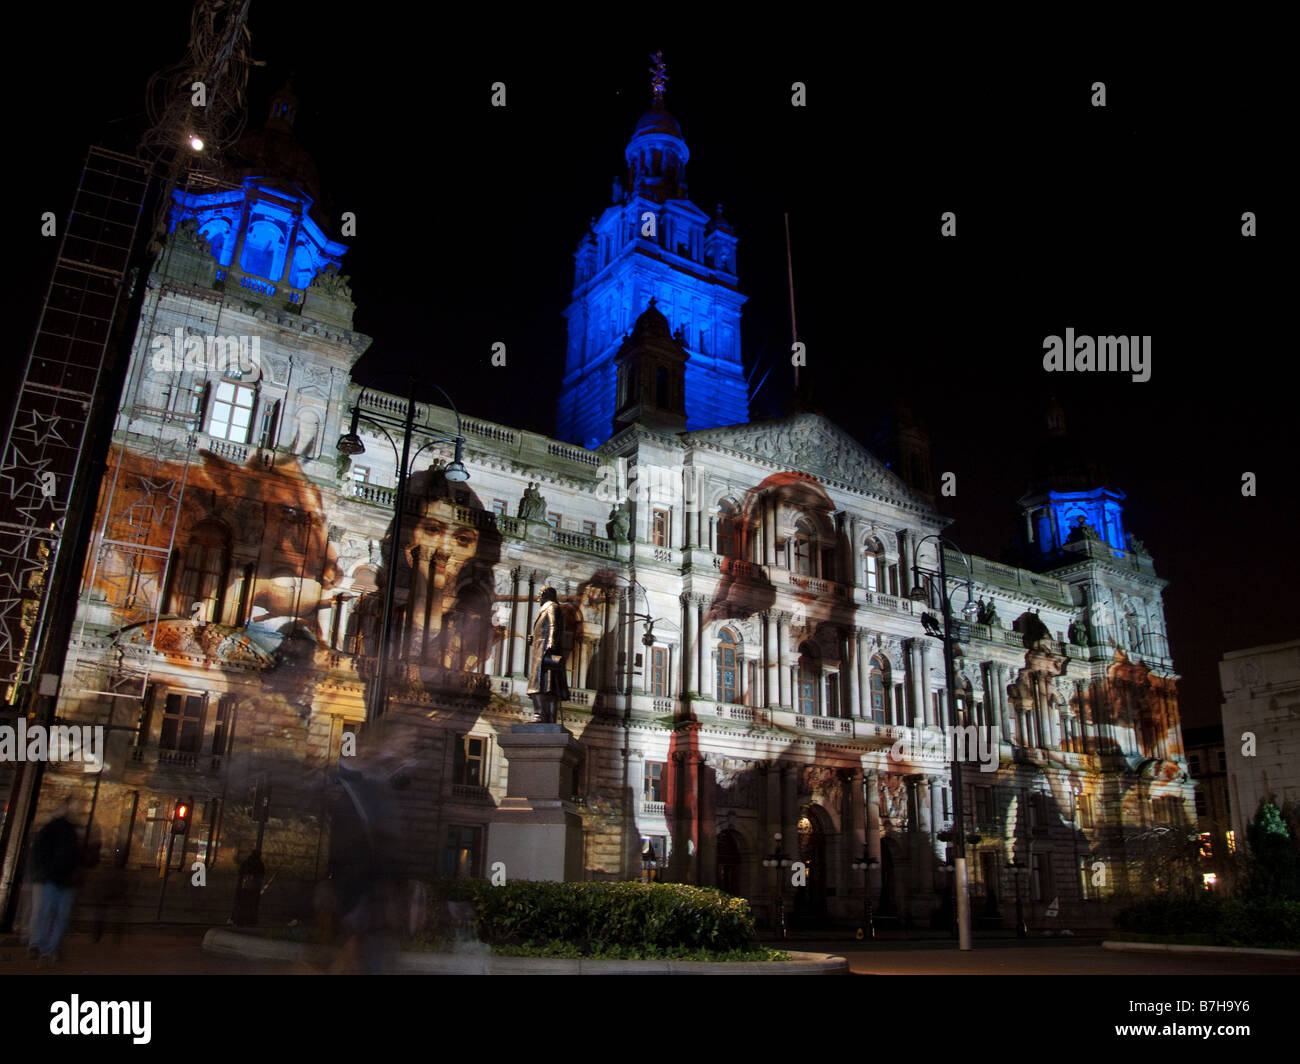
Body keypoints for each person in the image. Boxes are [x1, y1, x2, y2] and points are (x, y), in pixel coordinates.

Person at [29, 803, 82, 965]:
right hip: (63, 880)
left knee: (47, 914)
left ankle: (45, 949)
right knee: (59, 916)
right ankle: (49, 949)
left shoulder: (51, 830)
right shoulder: (71, 832)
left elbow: (39, 852)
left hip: (54, 879)